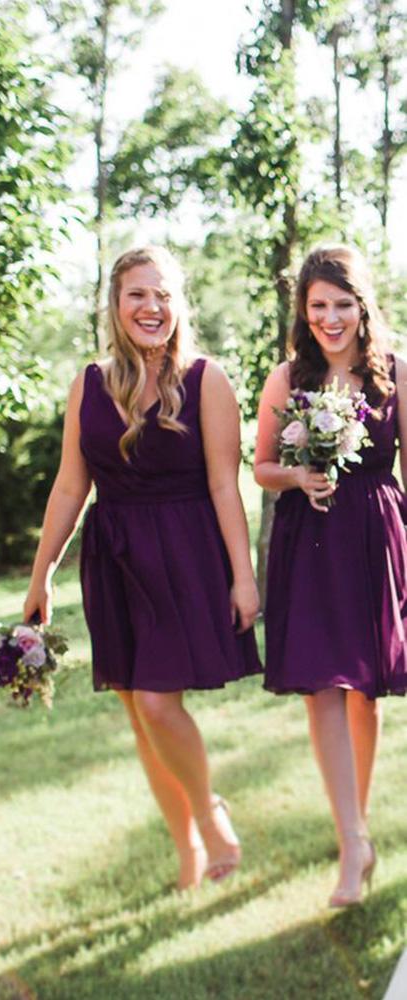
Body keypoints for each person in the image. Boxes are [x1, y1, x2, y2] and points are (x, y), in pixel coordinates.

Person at [24, 245, 261, 889]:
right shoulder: (90, 383)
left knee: (158, 705)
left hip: (185, 554)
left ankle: (209, 814)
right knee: (140, 715)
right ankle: (185, 849)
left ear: (178, 303)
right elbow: (71, 486)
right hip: (114, 557)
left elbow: (223, 485)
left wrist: (243, 575)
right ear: (116, 305)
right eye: (138, 295)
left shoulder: (208, 380)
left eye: (163, 295)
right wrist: (43, 570)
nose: (152, 307)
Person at [255, 244, 407, 907]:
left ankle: (358, 826)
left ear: (361, 305)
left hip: (374, 536)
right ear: (303, 309)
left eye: (341, 304)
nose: (329, 318)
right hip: (308, 537)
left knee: (361, 694)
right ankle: (350, 841)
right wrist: (297, 474)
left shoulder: (395, 375)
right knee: (321, 687)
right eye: (317, 306)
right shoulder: (287, 379)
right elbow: (260, 465)